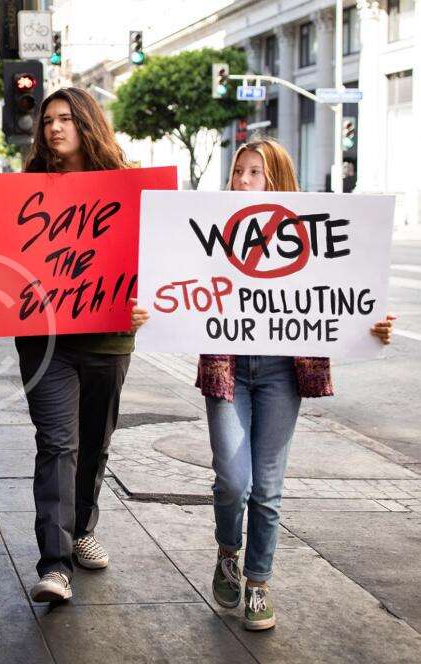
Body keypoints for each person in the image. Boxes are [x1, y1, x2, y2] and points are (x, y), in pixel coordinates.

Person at [130, 137, 396, 630]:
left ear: (277, 180)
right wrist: (149, 313)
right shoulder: (209, 230)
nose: (244, 180)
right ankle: (227, 552)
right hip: (228, 368)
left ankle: (258, 583)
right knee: (234, 480)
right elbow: (175, 289)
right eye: (239, 171)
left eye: (255, 172)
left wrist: (372, 327)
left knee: (268, 487)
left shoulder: (309, 235)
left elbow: (345, 295)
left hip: (281, 373)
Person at [0, 87, 136, 603]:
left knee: (94, 443)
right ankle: (55, 564)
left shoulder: (126, 186)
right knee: (57, 444)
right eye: (47, 121)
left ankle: (82, 529)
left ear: (87, 124)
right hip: (46, 343)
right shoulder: (24, 191)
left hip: (108, 339)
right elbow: (9, 262)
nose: (55, 128)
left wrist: (147, 298)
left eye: (65, 118)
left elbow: (153, 254)